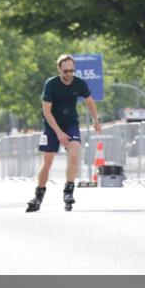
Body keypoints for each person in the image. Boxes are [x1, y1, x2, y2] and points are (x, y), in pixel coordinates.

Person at [26, 54, 102, 213]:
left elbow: (89, 102)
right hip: (51, 125)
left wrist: (96, 120)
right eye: (65, 71)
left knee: (74, 153)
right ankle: (39, 194)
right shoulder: (51, 84)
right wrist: (58, 133)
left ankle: (68, 191)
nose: (69, 74)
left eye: (72, 71)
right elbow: (46, 111)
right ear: (59, 69)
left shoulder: (79, 83)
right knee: (47, 161)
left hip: (71, 123)